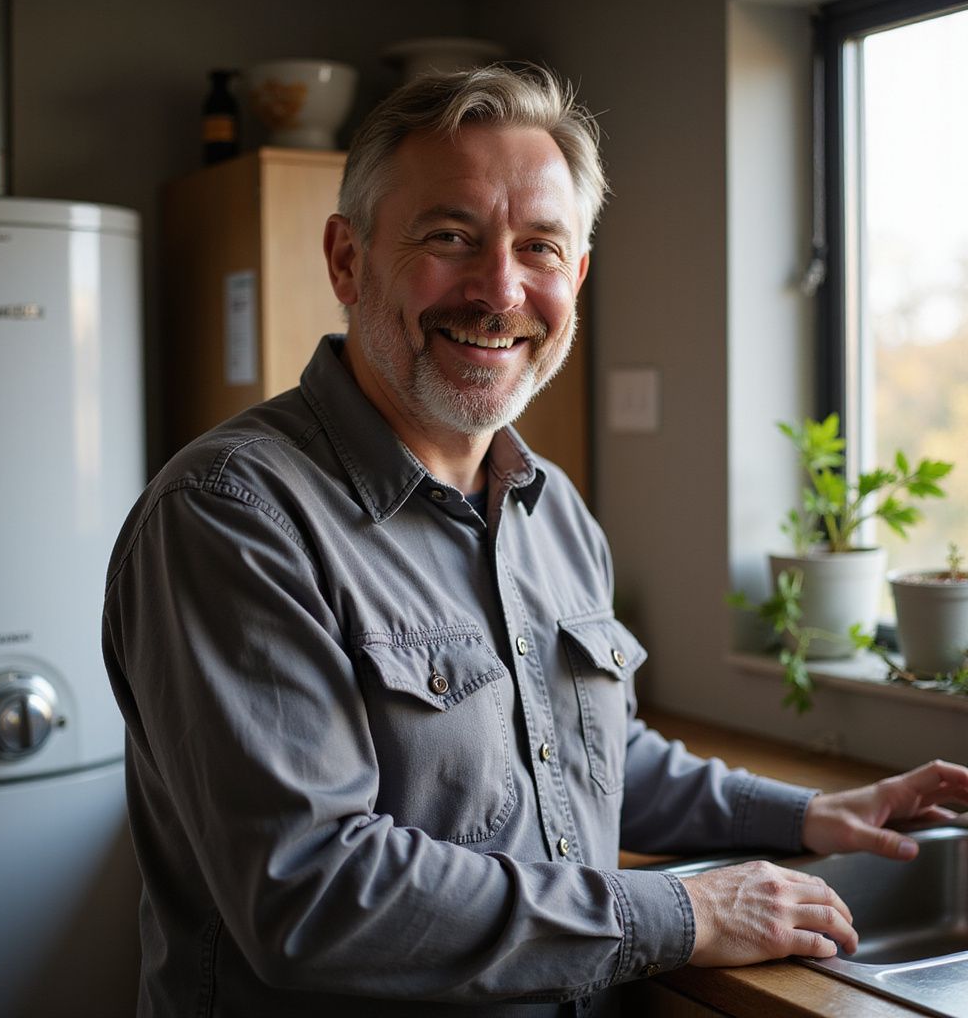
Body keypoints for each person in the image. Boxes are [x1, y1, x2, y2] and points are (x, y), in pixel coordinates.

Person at [102, 64, 968, 1018]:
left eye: (541, 248)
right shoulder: (232, 514)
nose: (500, 289)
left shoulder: (550, 511)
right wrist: (680, 913)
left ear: (577, 277)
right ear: (348, 260)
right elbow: (308, 891)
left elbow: (589, 762)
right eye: (450, 236)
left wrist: (807, 814)